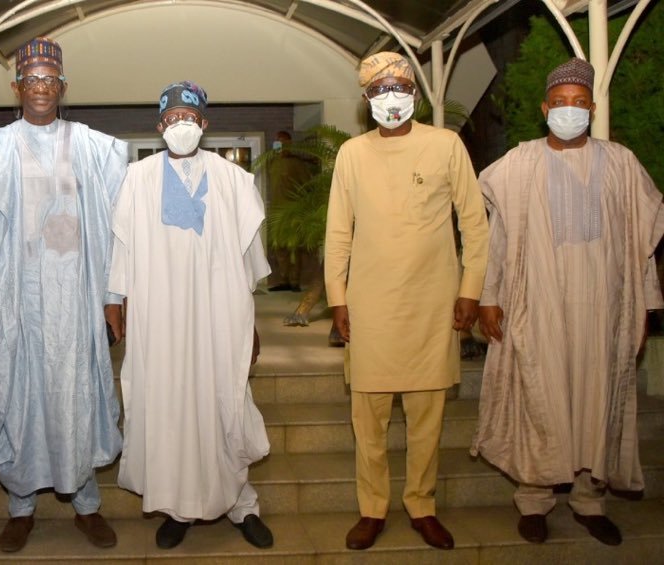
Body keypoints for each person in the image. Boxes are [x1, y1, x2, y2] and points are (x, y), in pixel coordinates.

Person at [472, 57, 664, 546]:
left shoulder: (621, 162)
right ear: (544, 109)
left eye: (579, 104)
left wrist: (644, 305)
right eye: (560, 104)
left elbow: (642, 243)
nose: (569, 111)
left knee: (597, 404)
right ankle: (534, 501)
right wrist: (489, 298)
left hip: (605, 311)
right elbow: (498, 238)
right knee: (542, 399)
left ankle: (588, 501)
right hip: (538, 307)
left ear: (593, 109)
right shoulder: (520, 163)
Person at [0, 37, 127, 553]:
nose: (41, 89)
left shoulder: (95, 148)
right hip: (15, 302)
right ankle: (21, 506)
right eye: (32, 80)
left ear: (63, 87)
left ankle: (86, 504)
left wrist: (113, 297)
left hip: (76, 303)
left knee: (78, 398)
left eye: (50, 80)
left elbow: (115, 228)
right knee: (19, 399)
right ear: (17, 87)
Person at [324, 52, 489, 551]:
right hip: (369, 307)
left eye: (399, 86)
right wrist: (338, 300)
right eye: (379, 89)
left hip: (433, 305)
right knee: (367, 420)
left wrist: (470, 290)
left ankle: (422, 504)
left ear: (415, 93)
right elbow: (337, 234)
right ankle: (372, 509)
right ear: (366, 99)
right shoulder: (351, 153)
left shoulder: (446, 145)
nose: (390, 96)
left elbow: (474, 224)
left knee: (427, 419)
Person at [110, 81, 274, 550]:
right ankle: (178, 508)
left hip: (220, 317)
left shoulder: (233, 180)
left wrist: (252, 321)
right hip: (159, 321)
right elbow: (120, 250)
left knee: (226, 404)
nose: (181, 125)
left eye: (190, 117)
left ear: (204, 123)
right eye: (172, 118)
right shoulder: (137, 179)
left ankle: (242, 505)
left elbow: (249, 259)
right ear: (159, 126)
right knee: (170, 409)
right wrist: (115, 302)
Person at [267, 130, 313, 292]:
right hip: (276, 212)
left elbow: (307, 186)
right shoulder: (271, 163)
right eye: (278, 143)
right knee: (279, 249)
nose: (281, 146)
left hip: (292, 212)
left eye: (284, 143)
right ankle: (283, 280)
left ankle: (295, 282)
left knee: (294, 248)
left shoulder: (297, 164)